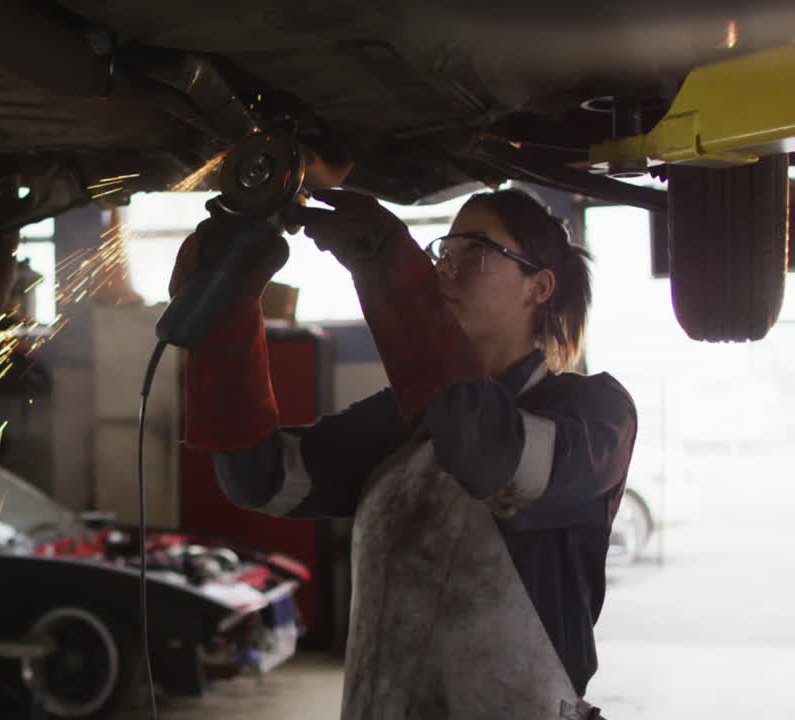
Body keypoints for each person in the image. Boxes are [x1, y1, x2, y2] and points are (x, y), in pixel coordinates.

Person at [171, 186, 637, 719]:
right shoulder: (404, 419)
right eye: (444, 253)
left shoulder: (594, 413)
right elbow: (260, 477)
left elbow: (490, 457)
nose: (445, 270)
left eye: (476, 252)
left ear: (540, 287)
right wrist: (226, 313)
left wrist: (384, 267)